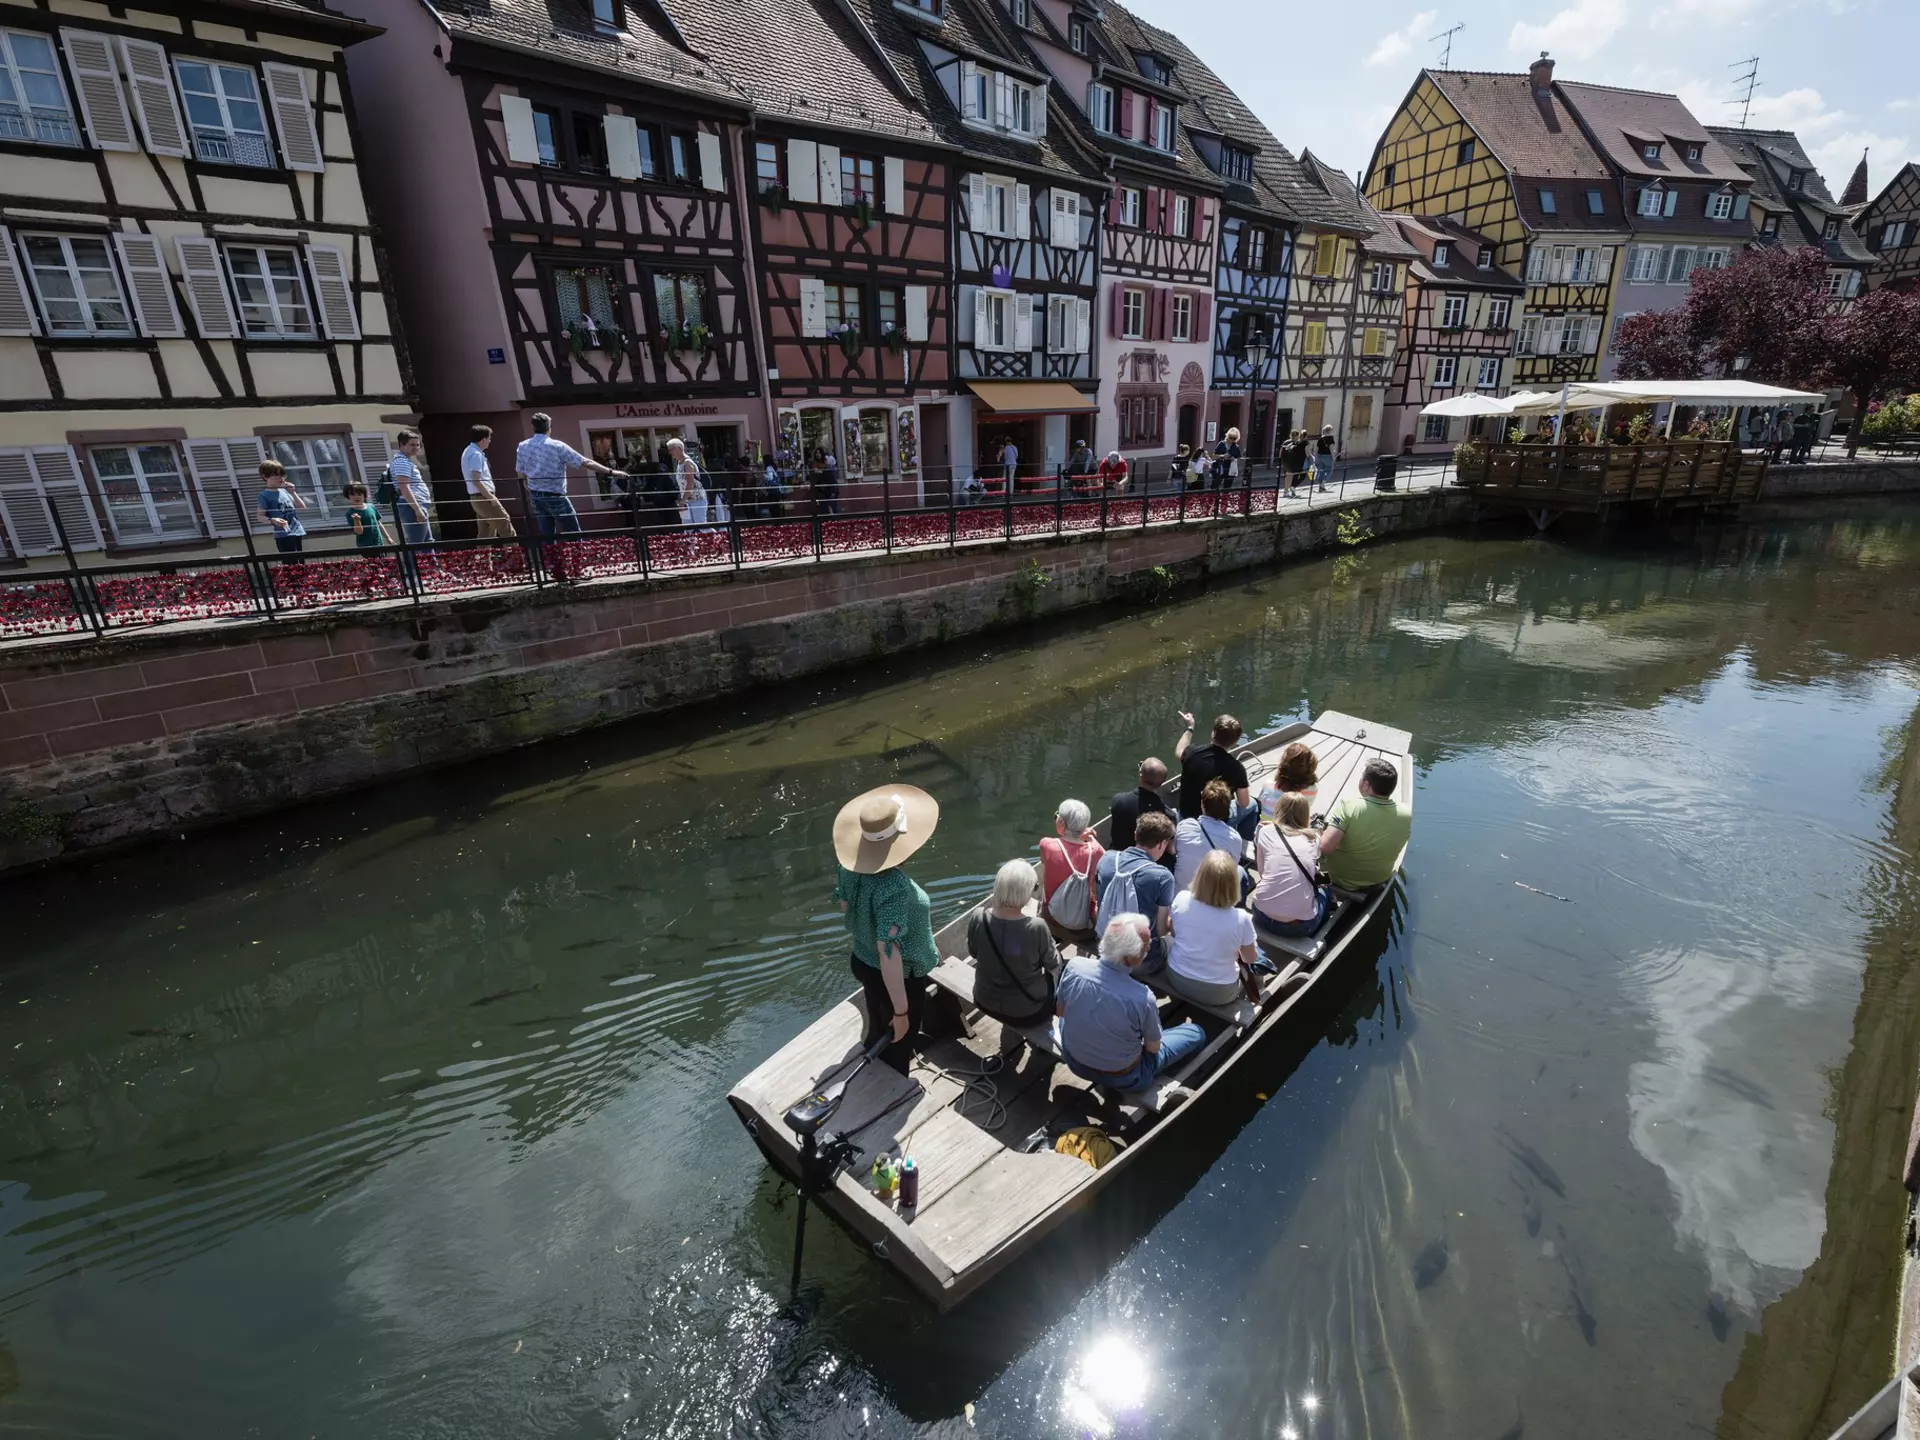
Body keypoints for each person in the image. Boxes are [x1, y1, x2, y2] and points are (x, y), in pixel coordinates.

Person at [832, 784, 941, 1075]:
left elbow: (845, 904)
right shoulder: (895, 887)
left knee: (878, 1026)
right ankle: (887, 1092)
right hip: (898, 977)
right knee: (898, 1040)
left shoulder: (849, 865)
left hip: (862, 961)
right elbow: (888, 950)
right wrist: (902, 1012)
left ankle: (875, 1051)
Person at [1055, 913, 1207, 1095]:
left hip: (1076, 1063)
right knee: (1196, 1033)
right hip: (1128, 1078)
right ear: (1129, 959)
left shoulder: (1074, 966)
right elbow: (1153, 1048)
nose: (1149, 947)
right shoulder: (1142, 997)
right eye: (1146, 946)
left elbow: (1061, 1012)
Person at [967, 859, 1062, 1031]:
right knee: (1063, 967)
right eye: (1034, 887)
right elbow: (1053, 964)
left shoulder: (978, 917)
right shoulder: (1036, 927)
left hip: (983, 1000)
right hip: (1028, 1011)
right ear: (1025, 893)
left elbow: (973, 953)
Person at [1164, 850, 1260, 1010]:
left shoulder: (1181, 898)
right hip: (1219, 993)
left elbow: (1173, 932)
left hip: (1177, 978)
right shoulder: (1242, 919)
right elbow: (1250, 959)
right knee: (1258, 958)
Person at [515, 411, 622, 541]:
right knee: (574, 533)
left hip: (536, 496)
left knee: (547, 535)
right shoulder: (557, 446)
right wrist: (611, 472)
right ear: (549, 428)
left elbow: (521, 474)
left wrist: (531, 489)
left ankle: (550, 560)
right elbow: (585, 462)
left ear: (534, 427)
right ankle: (578, 559)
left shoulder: (523, 446)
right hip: (555, 495)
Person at [1092, 810, 1176, 969]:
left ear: (1136, 834)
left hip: (1105, 946)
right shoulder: (1163, 877)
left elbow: (1097, 896)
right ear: (1161, 844)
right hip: (1142, 961)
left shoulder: (1107, 858)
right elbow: (1161, 929)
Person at [1318, 758, 1413, 894]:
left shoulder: (1349, 807)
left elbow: (1324, 848)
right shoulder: (1406, 813)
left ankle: (1322, 891)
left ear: (1366, 785)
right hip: (1379, 879)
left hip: (1337, 879)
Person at [1251, 791, 1331, 940]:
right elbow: (1312, 873)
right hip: (1298, 927)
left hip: (1261, 915)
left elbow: (1262, 874)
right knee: (1326, 889)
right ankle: (1323, 926)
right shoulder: (1314, 840)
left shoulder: (1265, 832)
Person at [1175, 711, 1255, 839]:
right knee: (1253, 805)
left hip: (1186, 816)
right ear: (1234, 742)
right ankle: (1242, 841)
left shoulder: (1192, 753)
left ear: (1213, 733)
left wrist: (1190, 727)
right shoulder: (1236, 768)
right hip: (1216, 821)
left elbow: (1179, 751)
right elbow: (1244, 803)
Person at [1038, 799, 1104, 933]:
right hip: (1083, 919)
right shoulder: (1095, 851)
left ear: (1061, 823)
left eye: (1057, 817)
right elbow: (1105, 858)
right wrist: (1089, 838)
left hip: (1052, 915)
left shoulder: (1047, 845)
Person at [1172, 779, 1243, 892]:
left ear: (1202, 805)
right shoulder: (1234, 838)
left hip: (1179, 892)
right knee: (1240, 872)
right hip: (1210, 897)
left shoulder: (1184, 825)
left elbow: (1174, 852)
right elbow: (1231, 868)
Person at [461, 425, 515, 539]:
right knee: (504, 524)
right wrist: (490, 497)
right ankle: (514, 555)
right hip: (483, 497)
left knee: (486, 533)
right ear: (483, 439)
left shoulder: (470, 451)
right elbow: (476, 480)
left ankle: (483, 556)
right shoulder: (475, 454)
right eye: (489, 438)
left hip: (478, 497)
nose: (490, 441)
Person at [1109, 757, 1173, 851]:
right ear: (1162, 783)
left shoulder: (1118, 801)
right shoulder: (1167, 815)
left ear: (1140, 776)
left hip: (1118, 855)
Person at [389, 430, 434, 548]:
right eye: (412, 445)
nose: (416, 448)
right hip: (411, 506)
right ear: (401, 445)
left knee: (427, 542)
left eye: (417, 445)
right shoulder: (402, 462)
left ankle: (430, 566)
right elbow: (404, 487)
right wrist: (417, 509)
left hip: (415, 504)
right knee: (417, 544)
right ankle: (414, 567)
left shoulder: (406, 461)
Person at [255, 458, 307, 555]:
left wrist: (293, 492)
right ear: (265, 476)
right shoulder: (264, 495)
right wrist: (273, 520)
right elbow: (260, 516)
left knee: (300, 562)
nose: (281, 478)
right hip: (283, 535)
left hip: (297, 531)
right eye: (276, 475)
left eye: (282, 475)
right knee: (290, 564)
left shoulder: (285, 491)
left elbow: (302, 507)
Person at [1258, 741, 1318, 820]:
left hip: (1263, 828)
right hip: (1291, 830)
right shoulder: (1312, 789)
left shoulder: (1268, 784)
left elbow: (1259, 804)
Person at [668, 437, 708, 526]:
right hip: (686, 501)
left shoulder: (688, 463)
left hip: (697, 499)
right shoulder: (679, 463)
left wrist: (682, 501)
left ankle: (717, 537)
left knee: (701, 526)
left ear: (679, 448)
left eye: (672, 449)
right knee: (688, 527)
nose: (670, 452)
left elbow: (690, 484)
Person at [341, 480, 388, 550]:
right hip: (365, 546)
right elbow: (359, 532)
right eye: (353, 494)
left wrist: (388, 537)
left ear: (364, 495)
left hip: (379, 543)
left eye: (359, 494)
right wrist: (357, 521)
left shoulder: (371, 506)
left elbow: (378, 523)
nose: (356, 497)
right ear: (348, 496)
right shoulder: (350, 513)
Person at [1280, 429, 1307, 497]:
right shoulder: (1295, 443)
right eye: (1297, 436)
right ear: (1297, 436)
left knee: (1288, 476)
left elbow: (1281, 451)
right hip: (1290, 462)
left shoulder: (1285, 442)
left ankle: (1287, 490)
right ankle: (1286, 491)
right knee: (1289, 476)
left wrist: (1280, 459)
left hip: (1285, 461)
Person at [1213, 427, 1242, 491]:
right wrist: (1222, 456)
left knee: (1227, 488)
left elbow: (1239, 457)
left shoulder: (1236, 447)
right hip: (1220, 467)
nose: (1231, 440)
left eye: (1234, 438)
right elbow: (1214, 456)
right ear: (1227, 436)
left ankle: (1225, 499)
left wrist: (1233, 458)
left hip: (1230, 469)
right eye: (1230, 437)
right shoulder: (1221, 444)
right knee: (1215, 486)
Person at [1313, 425, 1336, 492]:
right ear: (1330, 431)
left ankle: (1320, 486)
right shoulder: (1331, 438)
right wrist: (1333, 457)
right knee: (1329, 470)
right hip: (1327, 456)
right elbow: (1331, 448)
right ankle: (1322, 485)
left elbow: (1316, 450)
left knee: (1321, 471)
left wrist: (1315, 457)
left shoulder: (1320, 439)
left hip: (1319, 456)